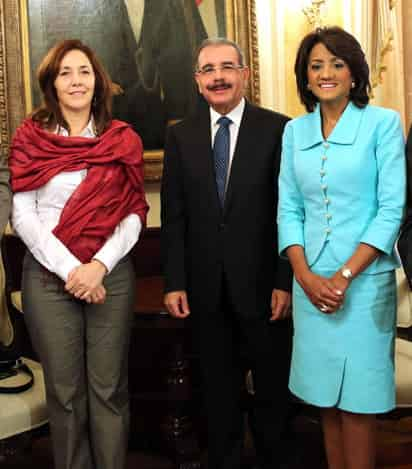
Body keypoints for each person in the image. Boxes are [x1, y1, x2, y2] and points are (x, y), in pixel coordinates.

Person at [9, 39, 149, 469]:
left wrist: (99, 266)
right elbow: (24, 216)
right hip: (49, 280)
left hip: (111, 275)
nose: (76, 81)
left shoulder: (122, 139)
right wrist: (75, 270)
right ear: (52, 82)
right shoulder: (31, 139)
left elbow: (134, 214)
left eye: (84, 71)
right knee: (65, 393)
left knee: (108, 389)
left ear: (98, 80)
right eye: (66, 72)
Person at [161, 37, 293, 469]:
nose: (218, 77)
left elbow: (288, 214)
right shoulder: (179, 136)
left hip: (262, 289)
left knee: (272, 393)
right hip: (205, 291)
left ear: (244, 75)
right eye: (208, 70)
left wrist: (282, 280)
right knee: (216, 394)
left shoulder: (279, 130)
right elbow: (175, 216)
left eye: (226, 68)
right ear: (198, 81)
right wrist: (175, 282)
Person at [278, 26, 405, 469]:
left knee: (358, 404)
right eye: (316, 66)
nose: (326, 73)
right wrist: (305, 276)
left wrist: (344, 276)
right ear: (305, 77)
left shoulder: (383, 123)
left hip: (364, 285)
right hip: (310, 286)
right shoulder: (294, 132)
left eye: (336, 64)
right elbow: (288, 210)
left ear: (354, 74)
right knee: (324, 401)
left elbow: (391, 210)